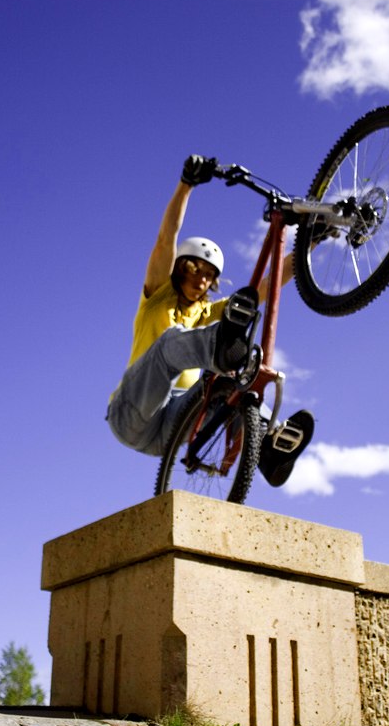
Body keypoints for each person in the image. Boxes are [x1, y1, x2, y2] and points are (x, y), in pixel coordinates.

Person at [107, 155, 314, 487]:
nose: (202, 280)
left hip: (173, 429)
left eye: (209, 276)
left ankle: (267, 450)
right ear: (180, 269)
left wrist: (310, 242)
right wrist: (186, 185)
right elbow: (166, 240)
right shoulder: (158, 294)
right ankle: (224, 354)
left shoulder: (208, 312)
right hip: (131, 415)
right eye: (195, 270)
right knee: (171, 343)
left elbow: (267, 286)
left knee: (225, 386)